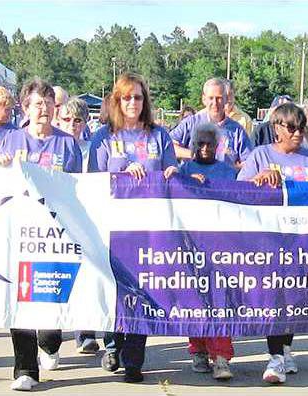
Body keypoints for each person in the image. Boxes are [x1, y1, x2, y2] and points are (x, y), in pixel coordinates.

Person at [0, 78, 83, 391]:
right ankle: (25, 369)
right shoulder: (11, 141)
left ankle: (51, 342)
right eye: (37, 103)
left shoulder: (67, 144)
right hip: (20, 234)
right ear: (25, 108)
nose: (43, 109)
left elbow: (78, 188)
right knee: (19, 299)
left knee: (49, 300)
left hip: (54, 235)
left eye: (48, 103)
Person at [89, 72, 178, 383]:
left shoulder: (159, 135)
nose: (132, 103)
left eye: (138, 97)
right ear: (117, 100)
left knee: (142, 290)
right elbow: (93, 179)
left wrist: (171, 170)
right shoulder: (103, 137)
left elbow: (171, 169)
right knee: (115, 288)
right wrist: (124, 171)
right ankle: (113, 344)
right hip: (114, 227)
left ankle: (134, 359)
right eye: (126, 97)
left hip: (149, 226)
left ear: (145, 101)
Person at [237, 102, 308, 384]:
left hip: (301, 239)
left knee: (294, 296)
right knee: (274, 296)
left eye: (301, 126)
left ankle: (286, 349)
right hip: (268, 239)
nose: (298, 132)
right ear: (277, 128)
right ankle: (274, 357)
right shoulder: (260, 155)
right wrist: (258, 179)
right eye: (291, 127)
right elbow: (238, 189)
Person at [180, 123, 236, 381]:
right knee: (195, 299)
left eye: (209, 144)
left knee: (221, 301)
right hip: (192, 242)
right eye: (200, 143)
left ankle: (222, 357)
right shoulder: (185, 169)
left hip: (222, 242)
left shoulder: (227, 171)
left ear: (217, 146)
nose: (204, 148)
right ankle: (198, 350)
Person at [56, 97, 97, 351]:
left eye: (78, 120)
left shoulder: (91, 147)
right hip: (59, 215)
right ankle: (53, 332)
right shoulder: (56, 145)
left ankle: (86, 332)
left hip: (88, 215)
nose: (72, 124)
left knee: (87, 274)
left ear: (85, 122)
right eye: (67, 119)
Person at [170, 78, 251, 169]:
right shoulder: (190, 123)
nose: (215, 103)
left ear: (225, 99)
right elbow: (169, 147)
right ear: (204, 99)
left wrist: (231, 169)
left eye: (219, 98)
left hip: (223, 181)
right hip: (193, 180)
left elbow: (248, 162)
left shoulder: (237, 131)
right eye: (211, 98)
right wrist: (195, 154)